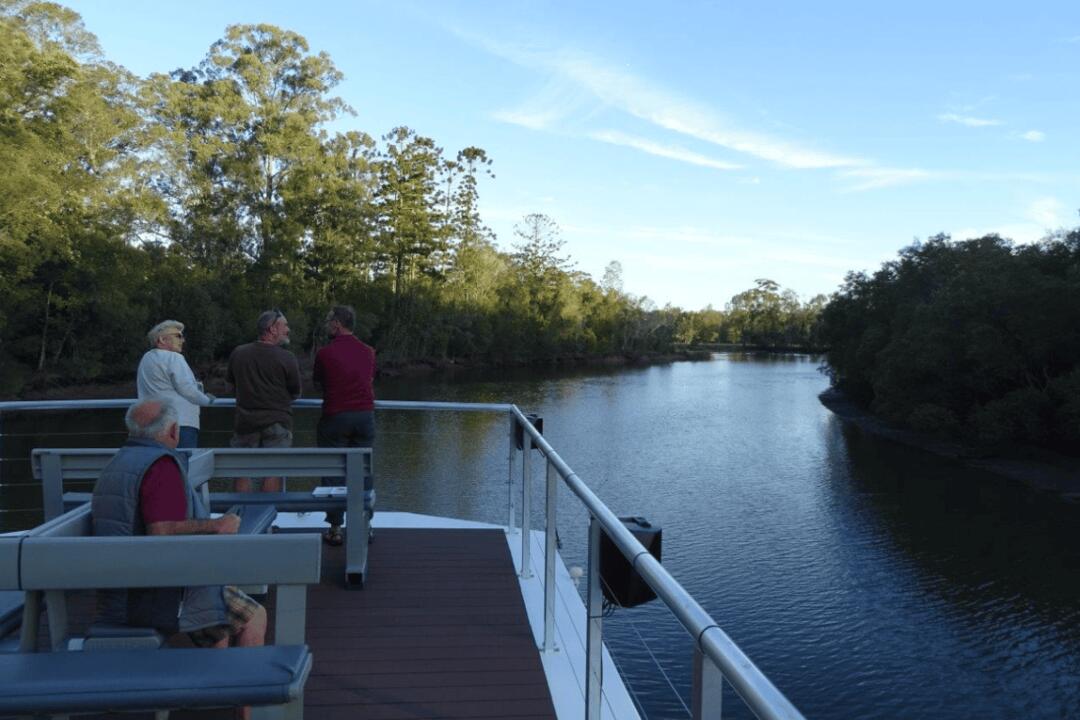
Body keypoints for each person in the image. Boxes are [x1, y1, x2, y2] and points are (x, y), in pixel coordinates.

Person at [91, 399, 266, 718]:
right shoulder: (161, 467)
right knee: (253, 615)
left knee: (218, 608)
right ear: (173, 430)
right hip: (150, 595)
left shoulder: (118, 462)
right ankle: (241, 713)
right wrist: (217, 525)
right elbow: (162, 530)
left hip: (118, 588)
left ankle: (214, 697)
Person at [313, 305, 376, 546]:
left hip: (335, 417)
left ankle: (336, 528)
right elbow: (368, 379)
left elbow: (319, 381)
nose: (328, 325)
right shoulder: (368, 352)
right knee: (364, 470)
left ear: (337, 324)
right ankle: (364, 525)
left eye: (330, 321)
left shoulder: (325, 353)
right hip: (364, 416)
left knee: (333, 472)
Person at [226, 310, 302, 493]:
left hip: (245, 422)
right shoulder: (287, 357)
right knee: (273, 471)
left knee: (242, 471)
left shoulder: (239, 353)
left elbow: (230, 386)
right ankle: (266, 516)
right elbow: (296, 392)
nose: (288, 329)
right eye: (285, 326)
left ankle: (240, 517)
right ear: (272, 329)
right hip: (277, 423)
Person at [136, 320, 215, 448]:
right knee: (182, 462)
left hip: (152, 424)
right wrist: (207, 400)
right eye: (178, 336)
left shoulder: (146, 358)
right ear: (162, 340)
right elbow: (187, 389)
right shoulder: (174, 357)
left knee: (159, 462)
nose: (182, 340)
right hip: (179, 424)